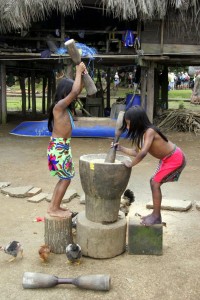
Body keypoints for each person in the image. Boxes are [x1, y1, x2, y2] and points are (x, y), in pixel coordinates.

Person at [112, 106, 186, 226]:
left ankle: (156, 216)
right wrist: (120, 148)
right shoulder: (141, 135)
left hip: (175, 158)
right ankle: (155, 215)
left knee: (155, 183)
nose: (128, 127)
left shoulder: (150, 132)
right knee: (153, 182)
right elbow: (136, 152)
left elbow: (143, 153)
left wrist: (131, 164)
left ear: (137, 122)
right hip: (167, 159)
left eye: (129, 124)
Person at [47, 62, 86, 218]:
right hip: (58, 148)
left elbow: (78, 89)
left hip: (61, 147)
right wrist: (77, 71)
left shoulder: (65, 107)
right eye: (70, 93)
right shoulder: (59, 107)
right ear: (65, 93)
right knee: (66, 179)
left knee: (64, 178)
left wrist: (82, 75)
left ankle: (54, 206)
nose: (73, 95)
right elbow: (75, 90)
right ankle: (54, 209)